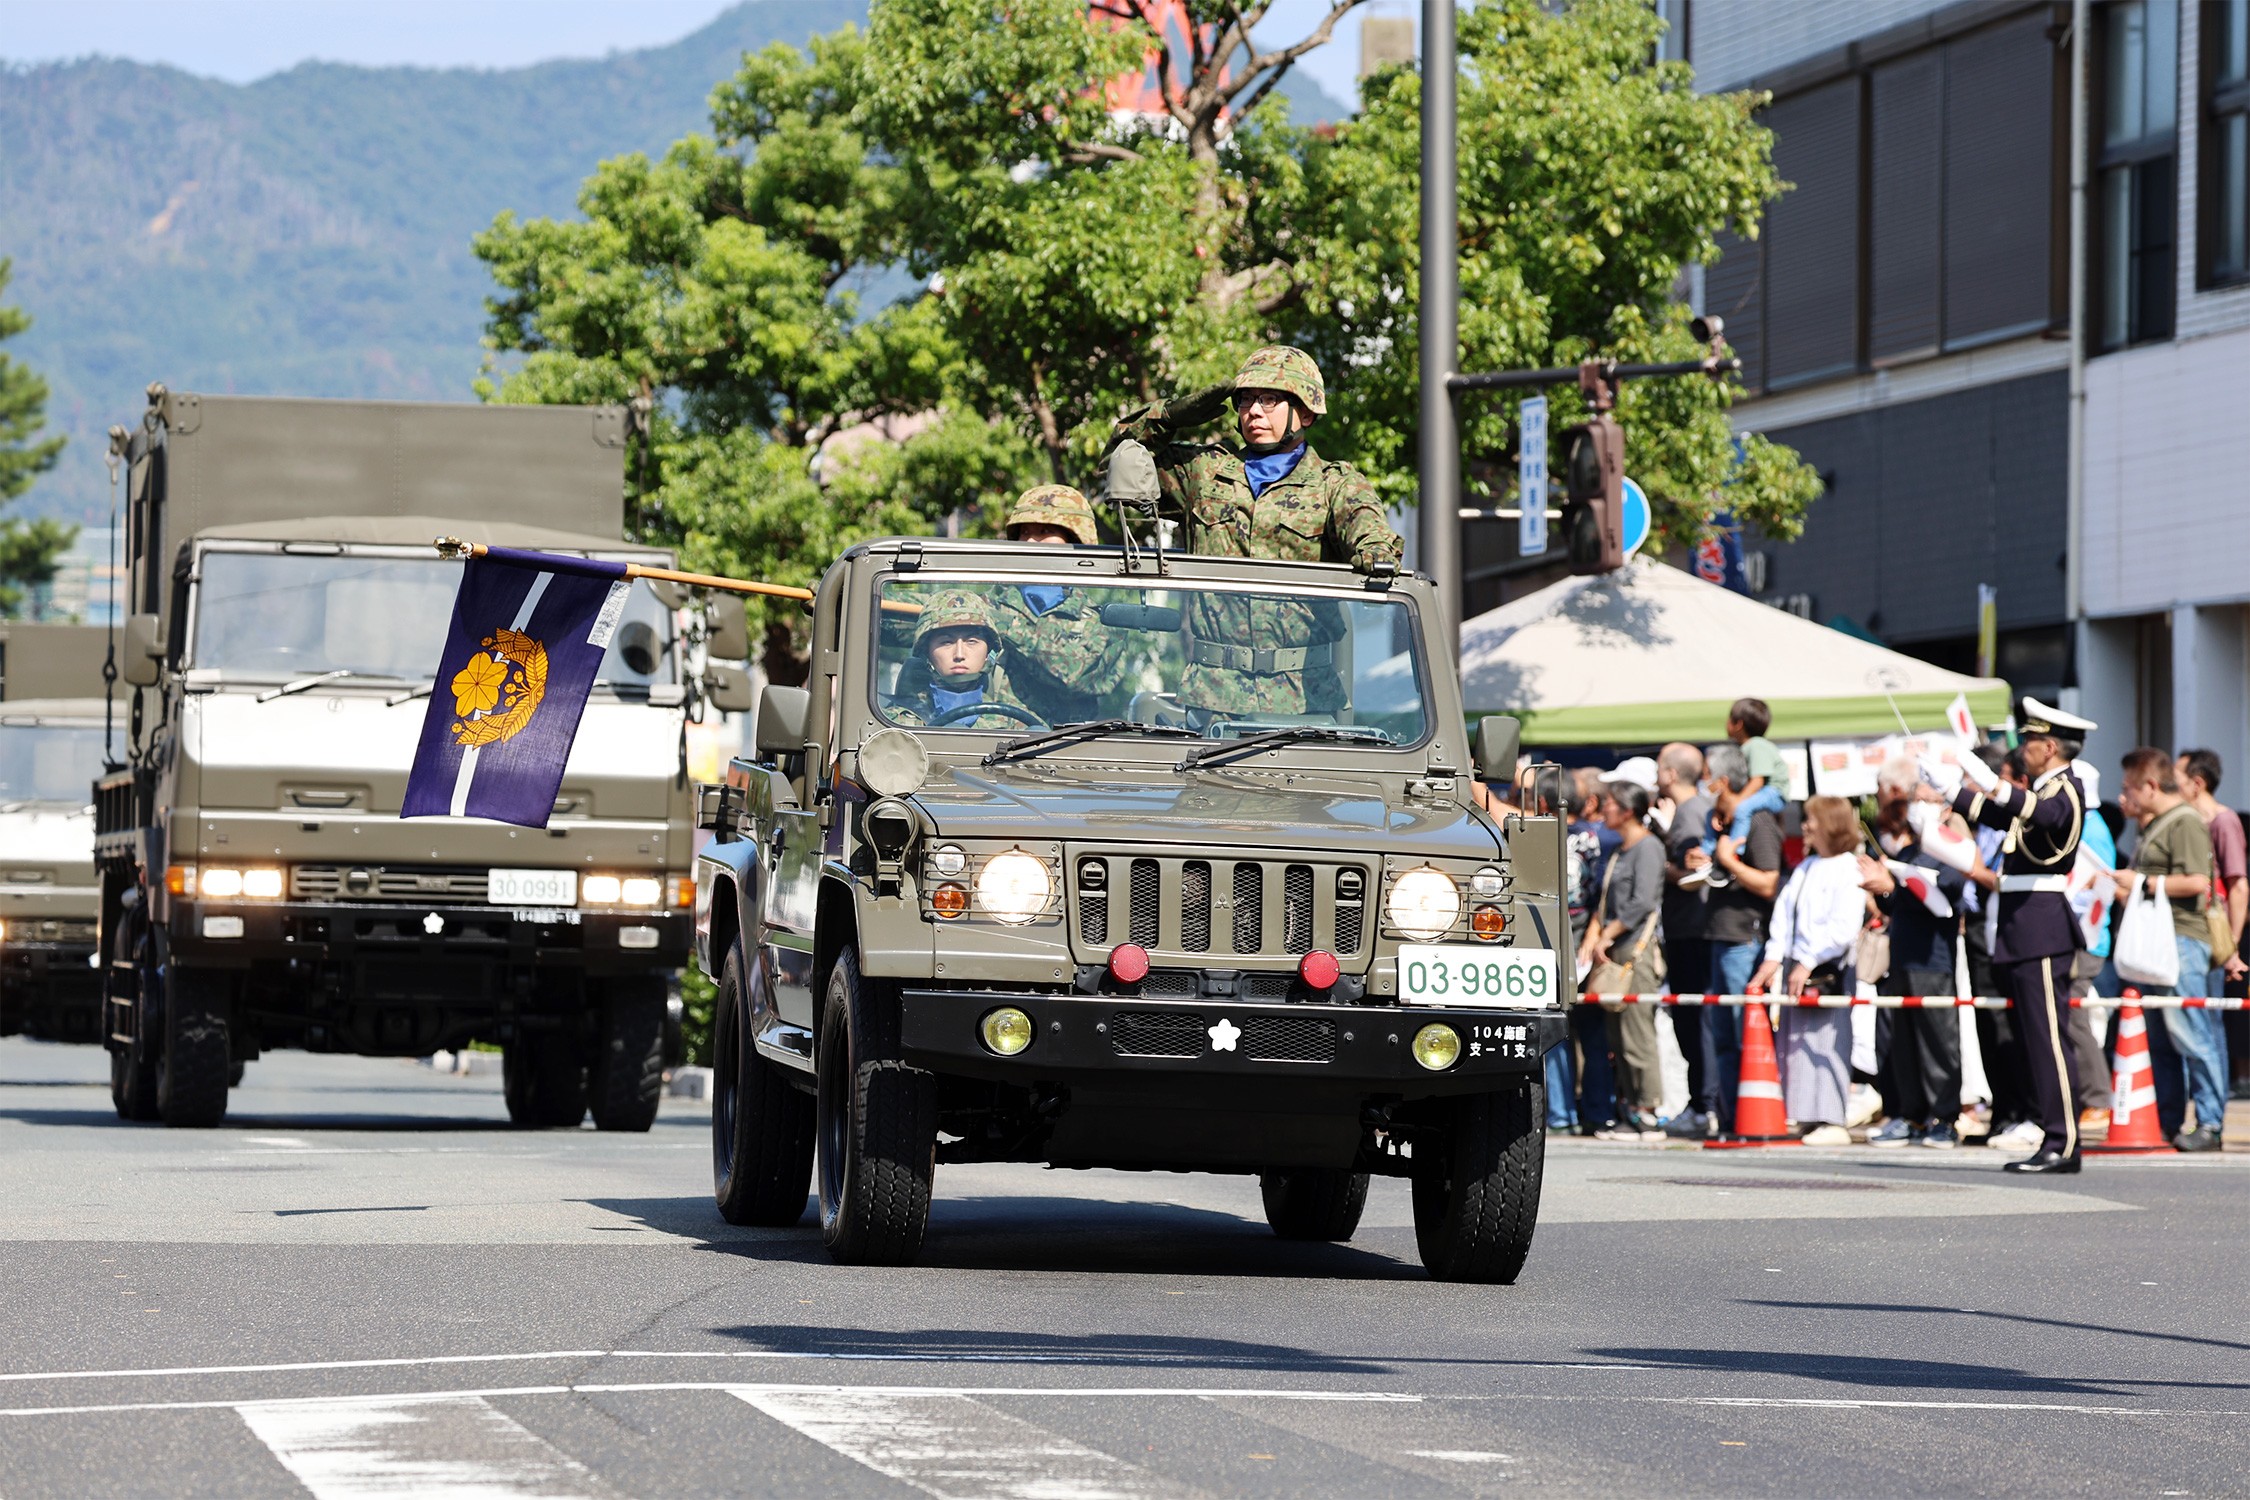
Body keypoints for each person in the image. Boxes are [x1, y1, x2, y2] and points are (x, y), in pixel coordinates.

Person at [1928, 697, 2096, 1172]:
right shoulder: (2045, 789)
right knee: (2033, 1040)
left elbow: (2041, 815)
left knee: (2049, 1040)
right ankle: (2052, 1137)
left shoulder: (2065, 787)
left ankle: (2062, 1143)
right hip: (2024, 922)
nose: (2023, 747)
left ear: (2048, 746)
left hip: (2042, 924)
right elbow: (2004, 816)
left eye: (2028, 740)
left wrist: (1982, 777)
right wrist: (1950, 790)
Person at [1108, 345, 1404, 571]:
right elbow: (1118, 459)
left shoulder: (1335, 486)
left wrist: (1375, 552)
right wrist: (1167, 417)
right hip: (1211, 653)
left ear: (1306, 413)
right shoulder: (1204, 471)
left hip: (1304, 653)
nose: (1254, 410)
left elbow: (1370, 534)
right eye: (1246, 399)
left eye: (1269, 399)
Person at [2110, 747, 2225, 1152]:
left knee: (2192, 1035)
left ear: (2151, 785)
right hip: (2160, 941)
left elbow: (2197, 882)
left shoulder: (2185, 822)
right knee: (2160, 1036)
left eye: (2129, 787)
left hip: (2182, 940)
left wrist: (2138, 882)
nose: (2124, 793)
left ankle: (2210, 1122)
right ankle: (2169, 1118)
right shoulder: (2159, 823)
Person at [1861, 758, 1968, 1147]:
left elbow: (1949, 889)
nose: (1916, 807)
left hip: (1933, 957)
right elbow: (1895, 904)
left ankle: (1944, 1116)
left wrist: (1898, 883)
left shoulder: (1950, 845)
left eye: (1925, 800)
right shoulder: (1909, 847)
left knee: (1938, 1040)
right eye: (1914, 799)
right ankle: (1912, 1114)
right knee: (1903, 1041)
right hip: (1903, 955)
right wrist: (1884, 888)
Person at [1750, 796, 1867, 1144]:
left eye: (1812, 820)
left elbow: (1844, 928)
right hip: (1795, 967)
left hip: (1827, 969)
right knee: (1796, 1042)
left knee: (1827, 1041)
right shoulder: (1806, 866)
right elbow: (1784, 917)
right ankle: (1804, 1113)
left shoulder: (1849, 867)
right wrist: (1773, 958)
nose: (1805, 826)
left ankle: (1831, 1117)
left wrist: (1810, 959)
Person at [985, 485, 1131, 724]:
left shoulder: (1103, 613)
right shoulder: (996, 599)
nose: (1030, 541)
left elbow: (1075, 674)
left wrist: (1005, 627)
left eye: (1044, 531)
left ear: (1076, 540)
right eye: (1024, 532)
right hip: (994, 740)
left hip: (1068, 746)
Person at [1699, 741, 1785, 1134]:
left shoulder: (1760, 820)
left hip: (1744, 940)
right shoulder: (1718, 822)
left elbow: (1769, 882)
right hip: (1717, 936)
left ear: (1723, 780)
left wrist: (1729, 859)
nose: (1703, 783)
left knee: (1740, 1032)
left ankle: (1749, 1118)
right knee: (1721, 1036)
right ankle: (1731, 1116)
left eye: (1707, 776)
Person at [1579, 778, 1667, 1137]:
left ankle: (1648, 1109)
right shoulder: (1619, 851)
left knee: (1637, 1033)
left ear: (1628, 810)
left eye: (1610, 803)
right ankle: (1631, 1108)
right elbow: (1606, 903)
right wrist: (1596, 937)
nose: (1604, 809)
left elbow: (1642, 902)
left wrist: (1608, 935)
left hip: (1637, 950)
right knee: (1617, 1035)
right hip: (1613, 948)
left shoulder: (1649, 848)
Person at [1656, 743, 1713, 1135]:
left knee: (1693, 1021)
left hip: (1691, 931)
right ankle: (1702, 1102)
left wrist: (1663, 867)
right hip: (1691, 930)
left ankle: (1702, 1104)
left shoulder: (1692, 813)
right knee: (1694, 1020)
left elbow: (1695, 873)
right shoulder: (1697, 808)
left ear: (1671, 774)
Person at [883, 591, 1035, 731]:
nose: (959, 654)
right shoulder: (894, 723)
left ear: (989, 652)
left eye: (972, 641)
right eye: (946, 642)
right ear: (926, 652)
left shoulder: (1015, 724)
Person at [1683, 699, 1788, 888]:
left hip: (1774, 791)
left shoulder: (1756, 745)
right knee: (1716, 813)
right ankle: (1706, 852)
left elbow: (1758, 780)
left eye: (1707, 774)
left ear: (1738, 724)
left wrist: (1737, 802)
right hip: (1762, 792)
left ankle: (1735, 850)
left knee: (1742, 810)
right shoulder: (1746, 748)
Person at [2178, 749, 2248, 995]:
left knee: (2207, 1017)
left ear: (2197, 784)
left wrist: (2231, 945)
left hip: (2212, 936)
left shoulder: (2223, 821)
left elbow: (2238, 886)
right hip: (2192, 933)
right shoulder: (2188, 822)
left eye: (2178, 779)